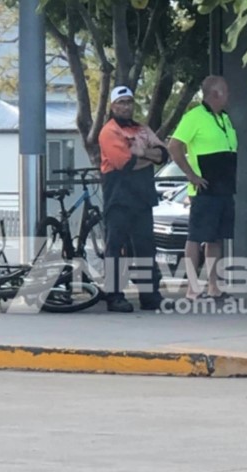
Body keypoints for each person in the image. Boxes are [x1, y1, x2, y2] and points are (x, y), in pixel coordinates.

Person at [97, 85, 169, 312]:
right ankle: (114, 295)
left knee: (146, 247)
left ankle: (150, 296)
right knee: (115, 247)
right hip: (118, 196)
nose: (126, 106)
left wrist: (143, 152)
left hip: (143, 196)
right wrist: (148, 156)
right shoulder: (109, 131)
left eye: (129, 102)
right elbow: (124, 163)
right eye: (122, 102)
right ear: (113, 106)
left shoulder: (142, 129)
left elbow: (163, 154)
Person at [167, 76, 237, 301]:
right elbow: (174, 146)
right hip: (204, 188)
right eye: (225, 91)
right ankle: (192, 287)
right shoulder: (194, 117)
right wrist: (191, 175)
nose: (228, 96)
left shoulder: (224, 118)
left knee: (216, 238)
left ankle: (213, 286)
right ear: (215, 94)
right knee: (196, 237)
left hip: (224, 187)